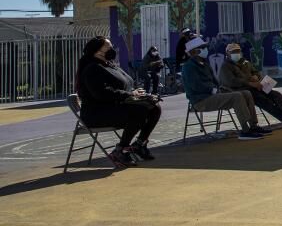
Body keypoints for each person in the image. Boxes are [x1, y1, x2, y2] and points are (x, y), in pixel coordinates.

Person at [76, 36, 162, 167]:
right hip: (97, 113)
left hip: (114, 107)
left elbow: (127, 85)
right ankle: (120, 150)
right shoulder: (92, 68)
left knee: (154, 107)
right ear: (97, 50)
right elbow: (101, 93)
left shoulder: (110, 65)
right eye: (108, 47)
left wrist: (140, 94)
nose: (112, 49)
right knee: (139, 111)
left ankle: (139, 145)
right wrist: (130, 95)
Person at [180, 37, 268, 140]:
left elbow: (215, 81)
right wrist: (214, 90)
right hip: (201, 100)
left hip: (212, 96)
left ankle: (253, 126)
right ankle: (245, 130)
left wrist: (220, 88)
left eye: (205, 47)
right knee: (237, 96)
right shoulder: (189, 67)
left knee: (246, 93)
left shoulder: (205, 64)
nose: (206, 50)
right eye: (202, 48)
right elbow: (197, 85)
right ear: (194, 51)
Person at [218, 42, 282, 127]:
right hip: (242, 90)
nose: (236, 53)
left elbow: (255, 72)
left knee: (275, 94)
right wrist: (250, 83)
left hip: (256, 86)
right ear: (227, 53)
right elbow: (231, 81)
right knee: (263, 100)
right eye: (233, 52)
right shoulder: (225, 66)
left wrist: (256, 76)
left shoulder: (245, 62)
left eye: (238, 51)